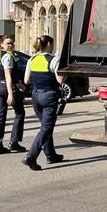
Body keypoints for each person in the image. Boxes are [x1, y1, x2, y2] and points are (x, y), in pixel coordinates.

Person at [21, 35, 66, 171]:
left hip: (35, 96)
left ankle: (51, 154)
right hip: (49, 96)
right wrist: (67, 71)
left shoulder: (32, 59)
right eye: (52, 45)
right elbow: (60, 80)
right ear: (49, 45)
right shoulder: (53, 60)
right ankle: (31, 156)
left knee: (45, 127)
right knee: (46, 128)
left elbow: (26, 80)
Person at [0, 35, 26, 155]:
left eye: (12, 43)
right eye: (8, 43)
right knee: (20, 113)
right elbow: (8, 75)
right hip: (6, 87)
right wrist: (10, 92)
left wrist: (19, 82)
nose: (10, 45)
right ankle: (14, 142)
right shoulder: (7, 56)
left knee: (0, 116)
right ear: (1, 44)